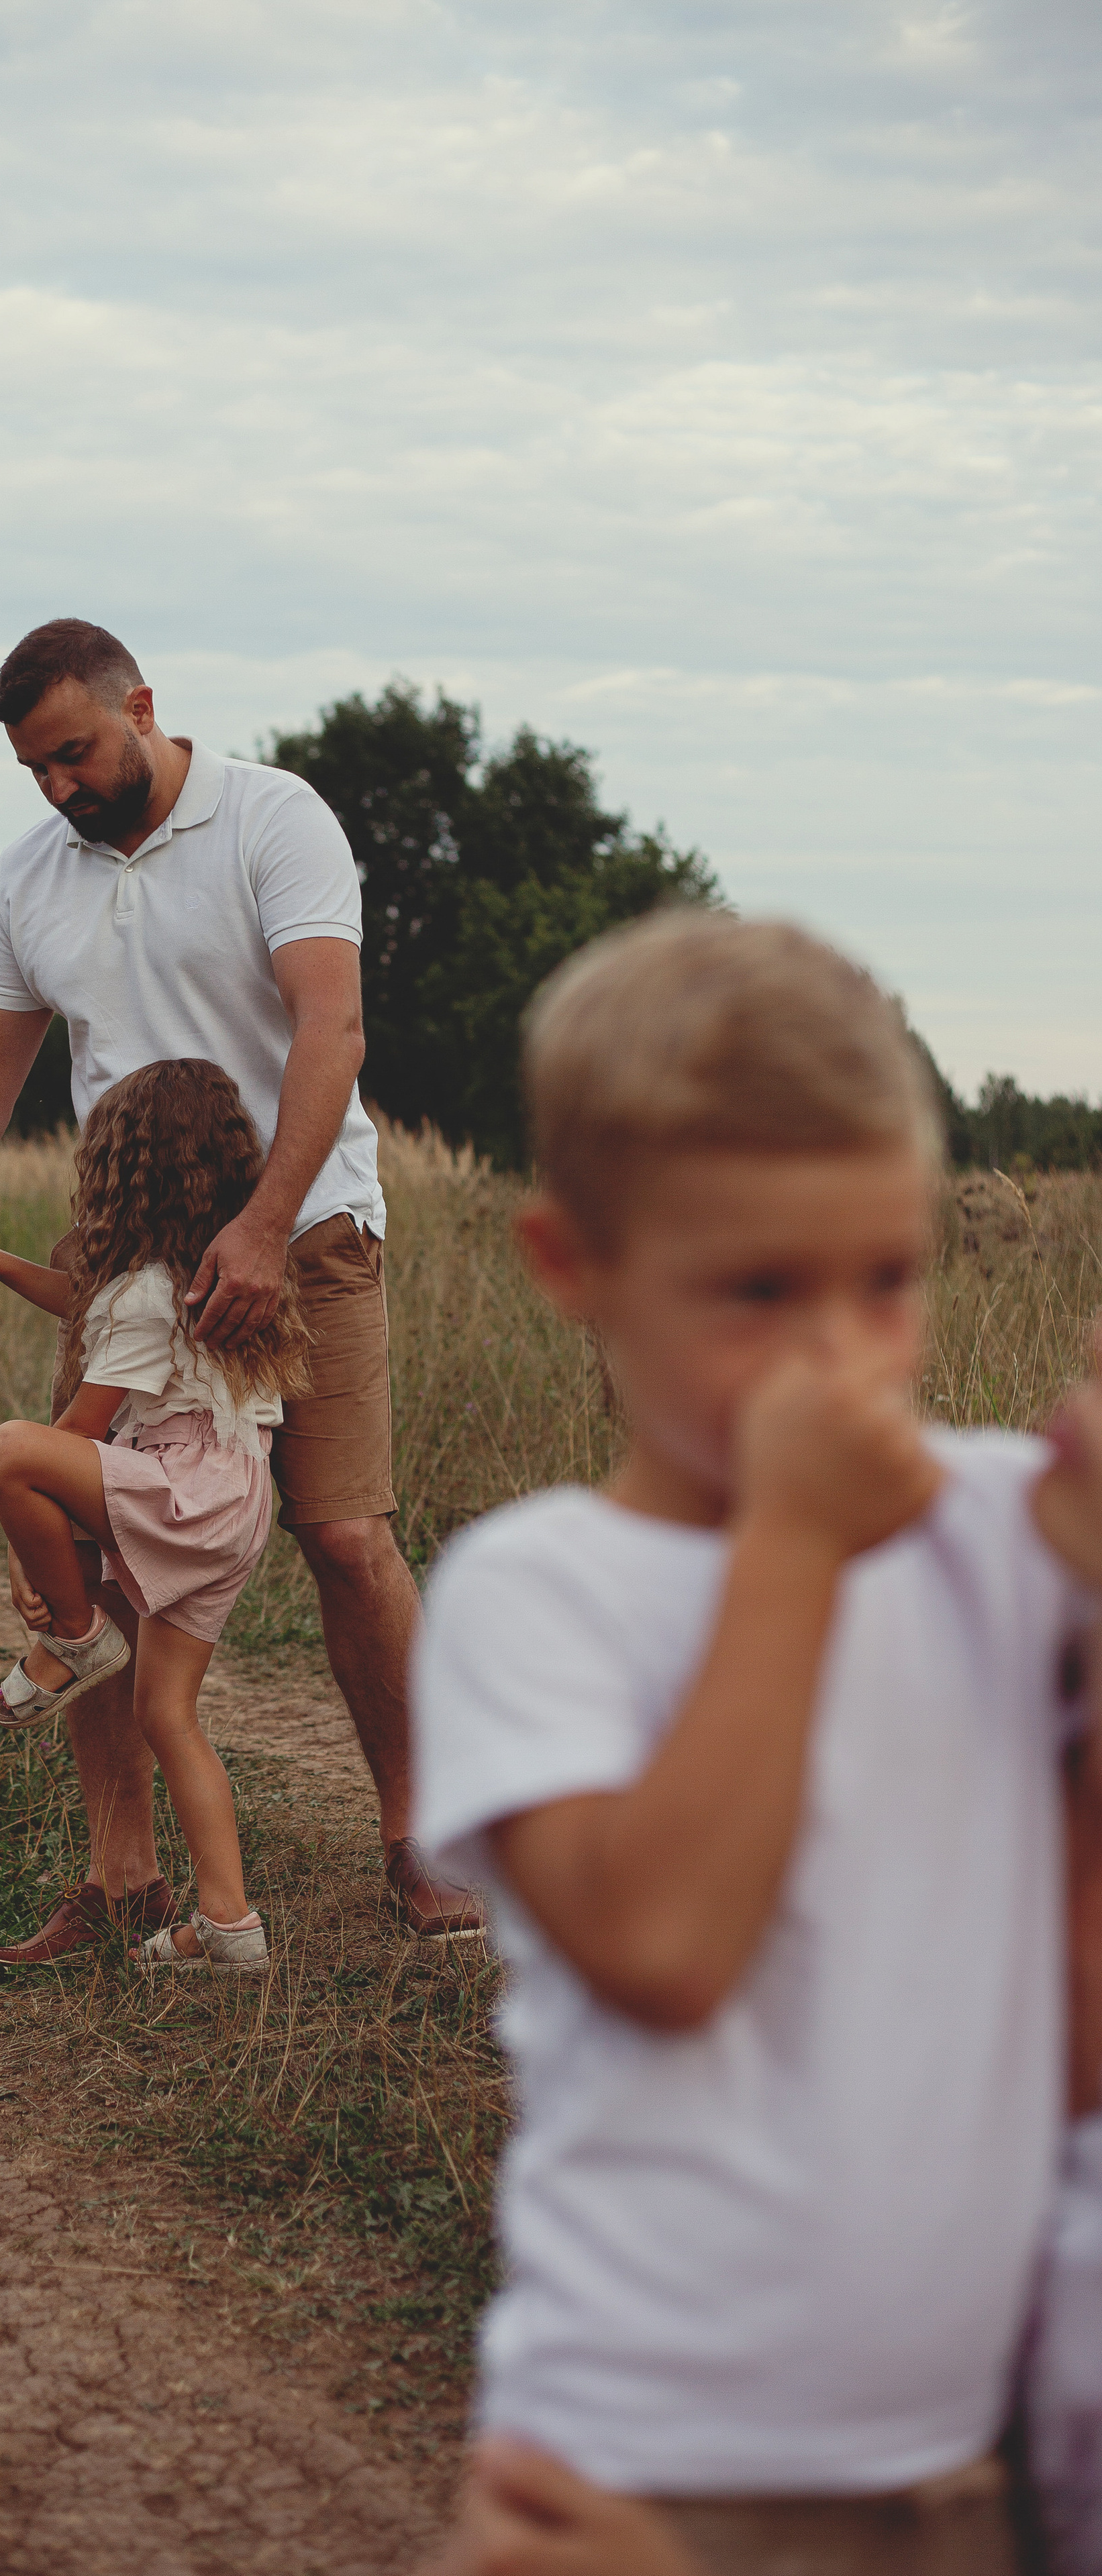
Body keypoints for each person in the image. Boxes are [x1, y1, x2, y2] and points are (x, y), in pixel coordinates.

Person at [410, 910, 1102, 2575]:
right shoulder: (537, 1591)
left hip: (956, 2459)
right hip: (649, 2470)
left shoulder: (991, 1536)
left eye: (887, 1279)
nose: (843, 1356)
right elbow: (658, 1946)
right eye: (759, 1292)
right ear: (571, 1266)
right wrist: (790, 1550)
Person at [0, 616, 482, 1961]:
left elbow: (329, 1025)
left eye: (74, 754)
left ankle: (417, 1836)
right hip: (124, 1260)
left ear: (140, 707)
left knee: (343, 1536)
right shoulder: (29, 877)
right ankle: (124, 1884)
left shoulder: (274, 821)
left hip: (307, 1231)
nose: (57, 788)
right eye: (33, 769)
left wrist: (266, 1224)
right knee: (91, 1553)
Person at [0, 1059, 311, 1974]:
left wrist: (38, 1562)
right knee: (169, 1715)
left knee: (12, 1449)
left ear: (119, 1171)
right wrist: (4, 1266)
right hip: (236, 1502)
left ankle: (82, 1640)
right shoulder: (204, 1275)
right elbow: (89, 1311)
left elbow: (74, 1437)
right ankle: (228, 1926)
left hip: (183, 1491)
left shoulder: (144, 1292)